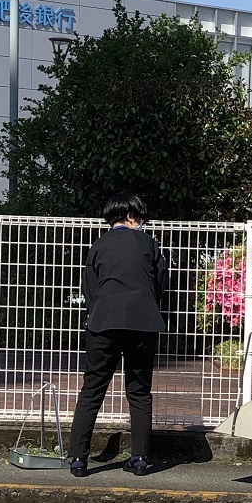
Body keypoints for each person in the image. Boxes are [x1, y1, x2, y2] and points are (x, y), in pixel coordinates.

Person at [67, 192, 169, 478]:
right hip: (143, 322)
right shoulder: (148, 244)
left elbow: (89, 287)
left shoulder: (98, 245)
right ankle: (139, 458)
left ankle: (78, 459)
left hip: (104, 322)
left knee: (92, 389)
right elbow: (160, 281)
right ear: (132, 216)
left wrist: (97, 311)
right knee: (139, 391)